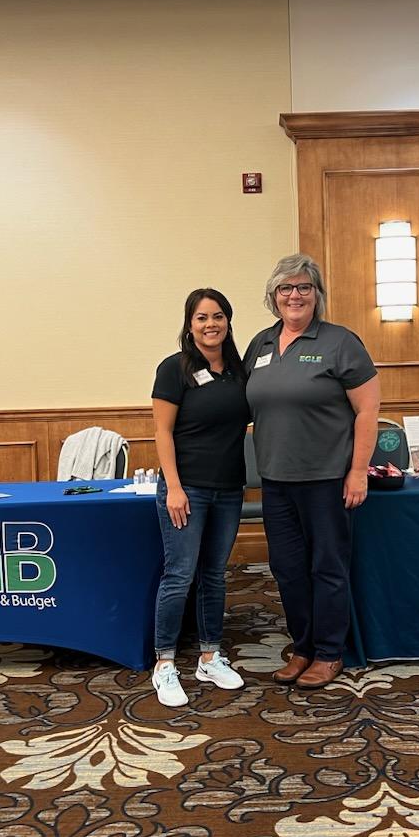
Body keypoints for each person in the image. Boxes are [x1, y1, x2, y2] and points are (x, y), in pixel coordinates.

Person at [244, 254, 379, 690]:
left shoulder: (340, 342)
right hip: (276, 481)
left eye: (304, 287)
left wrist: (358, 471)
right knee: (286, 569)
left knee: (327, 568)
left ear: (317, 295)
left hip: (326, 480)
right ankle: (301, 647)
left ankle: (328, 653)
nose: (295, 295)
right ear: (273, 296)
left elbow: (367, 410)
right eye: (285, 288)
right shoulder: (261, 344)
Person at [149, 288, 249, 708]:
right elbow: (162, 432)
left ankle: (210, 655)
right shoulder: (174, 369)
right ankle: (165, 663)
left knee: (213, 574)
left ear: (228, 321)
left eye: (219, 316)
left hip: (228, 488)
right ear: (189, 325)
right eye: (202, 317)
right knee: (180, 574)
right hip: (185, 488)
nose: (212, 324)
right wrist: (173, 487)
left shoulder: (239, 371)